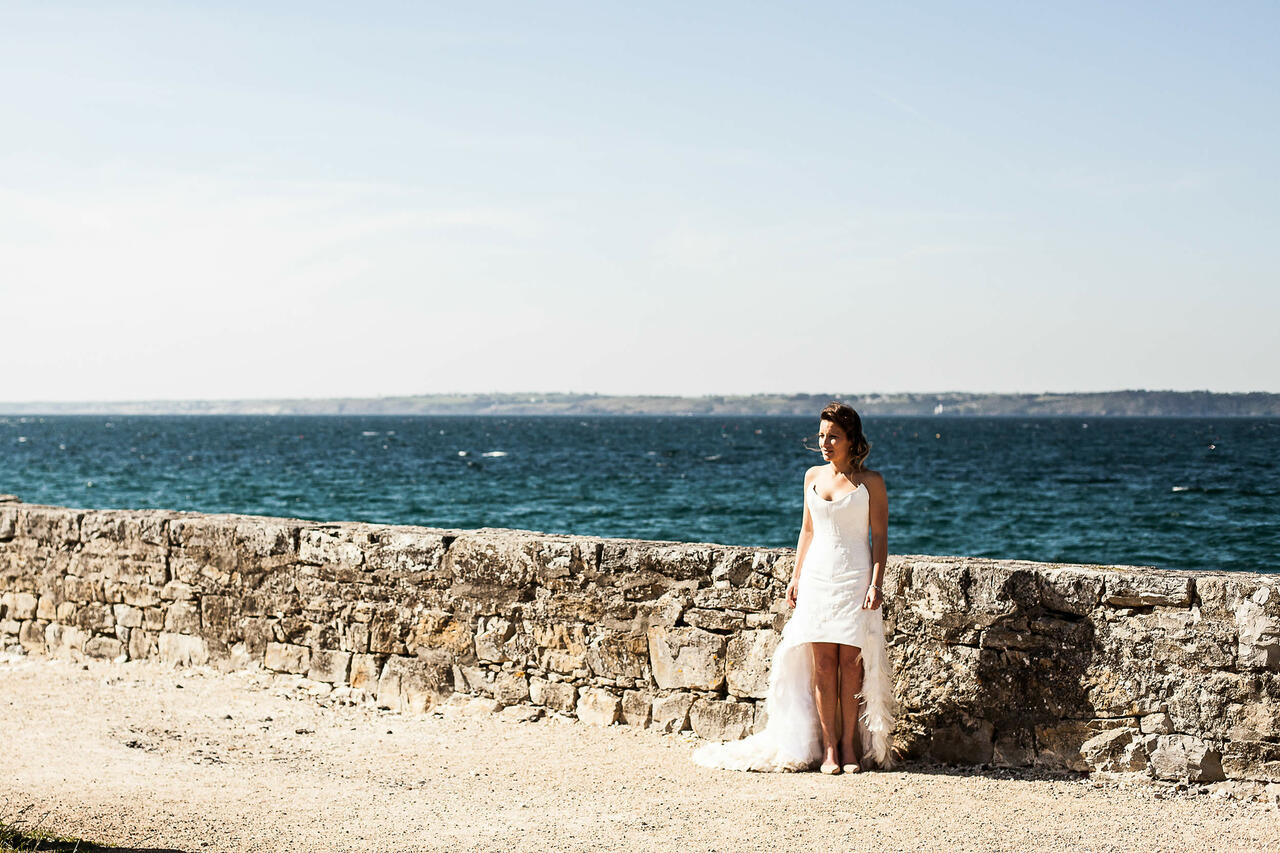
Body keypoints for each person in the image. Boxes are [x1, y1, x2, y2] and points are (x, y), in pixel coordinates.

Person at [692, 402, 895, 773]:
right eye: (821, 436)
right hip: (818, 575)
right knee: (822, 664)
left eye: (833, 436)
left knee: (852, 664)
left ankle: (850, 747)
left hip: (855, 576)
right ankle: (830, 750)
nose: (825, 442)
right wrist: (796, 576)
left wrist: (876, 583)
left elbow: (880, 537)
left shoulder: (872, 483)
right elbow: (807, 531)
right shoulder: (811, 476)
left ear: (852, 439)